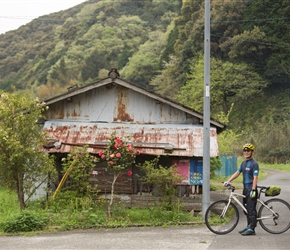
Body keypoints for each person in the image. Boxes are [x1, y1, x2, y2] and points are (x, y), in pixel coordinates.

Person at [224, 143, 259, 236]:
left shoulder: (254, 164)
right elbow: (237, 172)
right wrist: (229, 180)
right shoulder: (243, 163)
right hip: (245, 189)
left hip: (251, 189)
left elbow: (255, 177)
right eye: (245, 151)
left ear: (252, 152)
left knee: (251, 209)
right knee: (246, 209)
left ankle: (252, 228)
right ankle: (249, 226)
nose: (246, 152)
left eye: (248, 151)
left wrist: (254, 189)